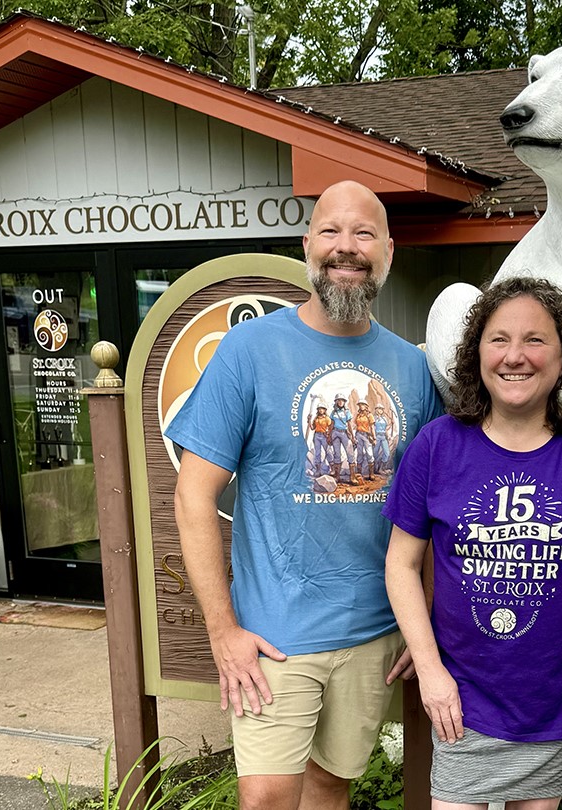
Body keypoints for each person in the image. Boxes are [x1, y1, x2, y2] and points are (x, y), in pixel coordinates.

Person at [168, 180, 444, 810]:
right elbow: (193, 496)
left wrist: (421, 622)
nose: (347, 247)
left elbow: (429, 511)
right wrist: (222, 630)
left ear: (389, 252)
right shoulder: (248, 350)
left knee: (331, 787)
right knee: (266, 798)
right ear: (307, 245)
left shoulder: (411, 368)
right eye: (331, 231)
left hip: (374, 631)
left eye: (364, 234)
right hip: (275, 633)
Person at [385, 277, 562, 810]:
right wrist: (432, 672)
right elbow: (401, 565)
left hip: (556, 706)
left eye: (535, 340)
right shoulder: (437, 446)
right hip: (462, 703)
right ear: (476, 353)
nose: (515, 356)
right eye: (499, 339)